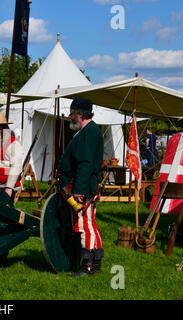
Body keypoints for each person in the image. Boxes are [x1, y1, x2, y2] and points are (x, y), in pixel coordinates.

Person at [58, 98, 104, 278]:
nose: (70, 117)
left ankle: (89, 266)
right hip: (82, 184)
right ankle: (96, 263)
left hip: (83, 187)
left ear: (81, 114)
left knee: (85, 225)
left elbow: (85, 163)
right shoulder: (86, 131)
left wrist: (79, 190)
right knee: (89, 223)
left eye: (72, 113)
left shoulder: (90, 133)